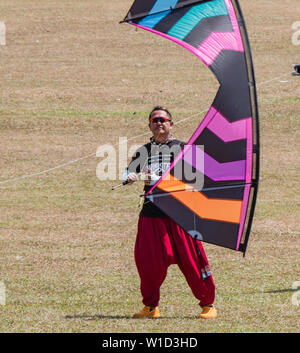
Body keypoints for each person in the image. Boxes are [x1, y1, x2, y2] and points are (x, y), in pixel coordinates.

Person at [124, 106, 217, 319]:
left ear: (171, 124)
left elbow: (196, 180)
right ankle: (150, 307)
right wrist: (129, 177)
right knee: (148, 261)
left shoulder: (185, 149)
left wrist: (158, 180)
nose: (159, 123)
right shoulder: (143, 151)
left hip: (180, 214)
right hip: (151, 214)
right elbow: (130, 172)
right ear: (149, 125)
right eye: (154, 120)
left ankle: (207, 304)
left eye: (163, 119)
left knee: (192, 260)